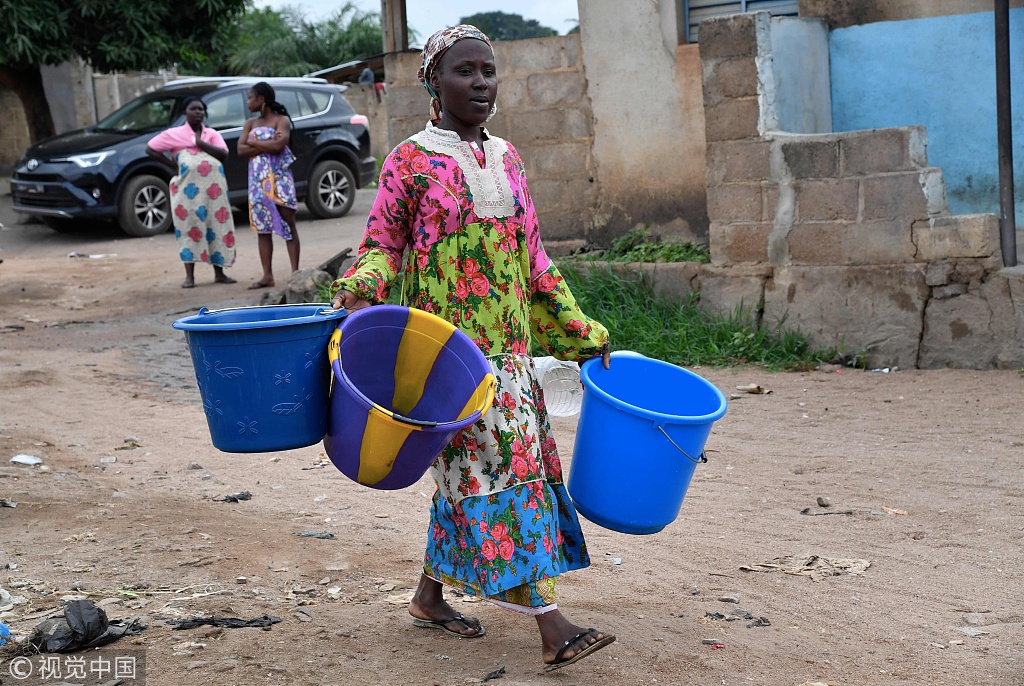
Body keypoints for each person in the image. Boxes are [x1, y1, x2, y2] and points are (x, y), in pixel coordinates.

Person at [330, 25, 615, 673]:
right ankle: (552, 624)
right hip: (447, 362)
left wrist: (582, 331)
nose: (481, 82)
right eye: (465, 71)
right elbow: (382, 244)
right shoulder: (409, 161)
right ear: (433, 81)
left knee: (475, 479)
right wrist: (360, 287)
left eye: (488, 70)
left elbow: (535, 259)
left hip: (512, 359)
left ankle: (429, 598)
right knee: (493, 478)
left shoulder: (509, 158)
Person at [145, 96, 236, 288]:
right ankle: (190, 277)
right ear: (185, 113)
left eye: (201, 109)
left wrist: (200, 143)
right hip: (188, 194)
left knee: (216, 228)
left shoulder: (211, 134)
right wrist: (173, 165)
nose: (198, 112)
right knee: (190, 228)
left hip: (215, 195)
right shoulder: (174, 134)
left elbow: (223, 155)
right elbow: (151, 148)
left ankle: (220, 273)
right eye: (194, 109)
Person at [238, 81, 299, 290]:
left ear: (261, 99)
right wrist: (265, 144)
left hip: (279, 180)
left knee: (289, 223)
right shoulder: (250, 123)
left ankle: (295, 274)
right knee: (262, 229)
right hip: (257, 182)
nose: (248, 102)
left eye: (250, 97)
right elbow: (240, 149)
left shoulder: (281, 120)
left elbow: (278, 146)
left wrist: (252, 143)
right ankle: (267, 276)